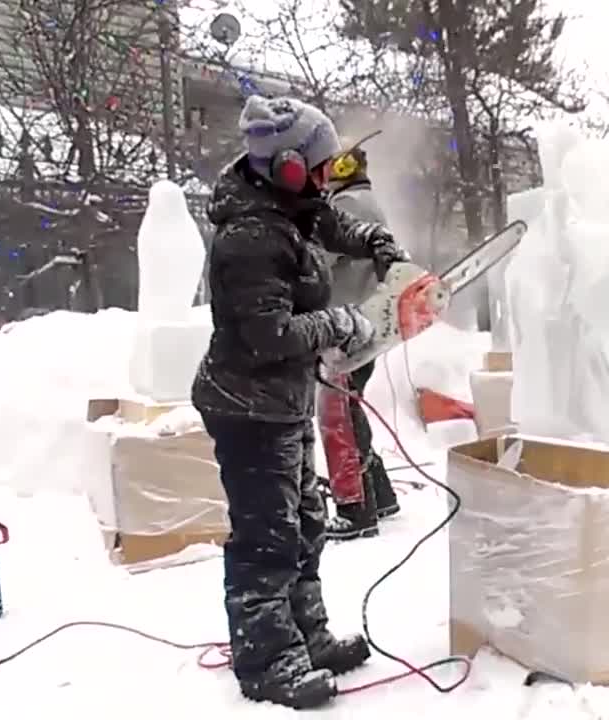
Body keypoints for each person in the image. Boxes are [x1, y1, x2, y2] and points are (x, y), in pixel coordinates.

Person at [191, 95, 408, 710]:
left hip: (284, 397)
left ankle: (305, 634)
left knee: (306, 517)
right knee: (267, 534)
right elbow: (270, 335)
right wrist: (345, 322)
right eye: (317, 167)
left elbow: (331, 222)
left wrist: (377, 242)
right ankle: (266, 660)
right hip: (246, 402)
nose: (324, 179)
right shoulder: (250, 238)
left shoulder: (289, 206)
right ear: (287, 165)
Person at [315, 142, 403, 542]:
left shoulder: (348, 204)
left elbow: (320, 258)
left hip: (347, 324)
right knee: (350, 410)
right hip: (363, 321)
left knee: (335, 413)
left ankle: (354, 508)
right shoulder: (366, 200)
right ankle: (379, 494)